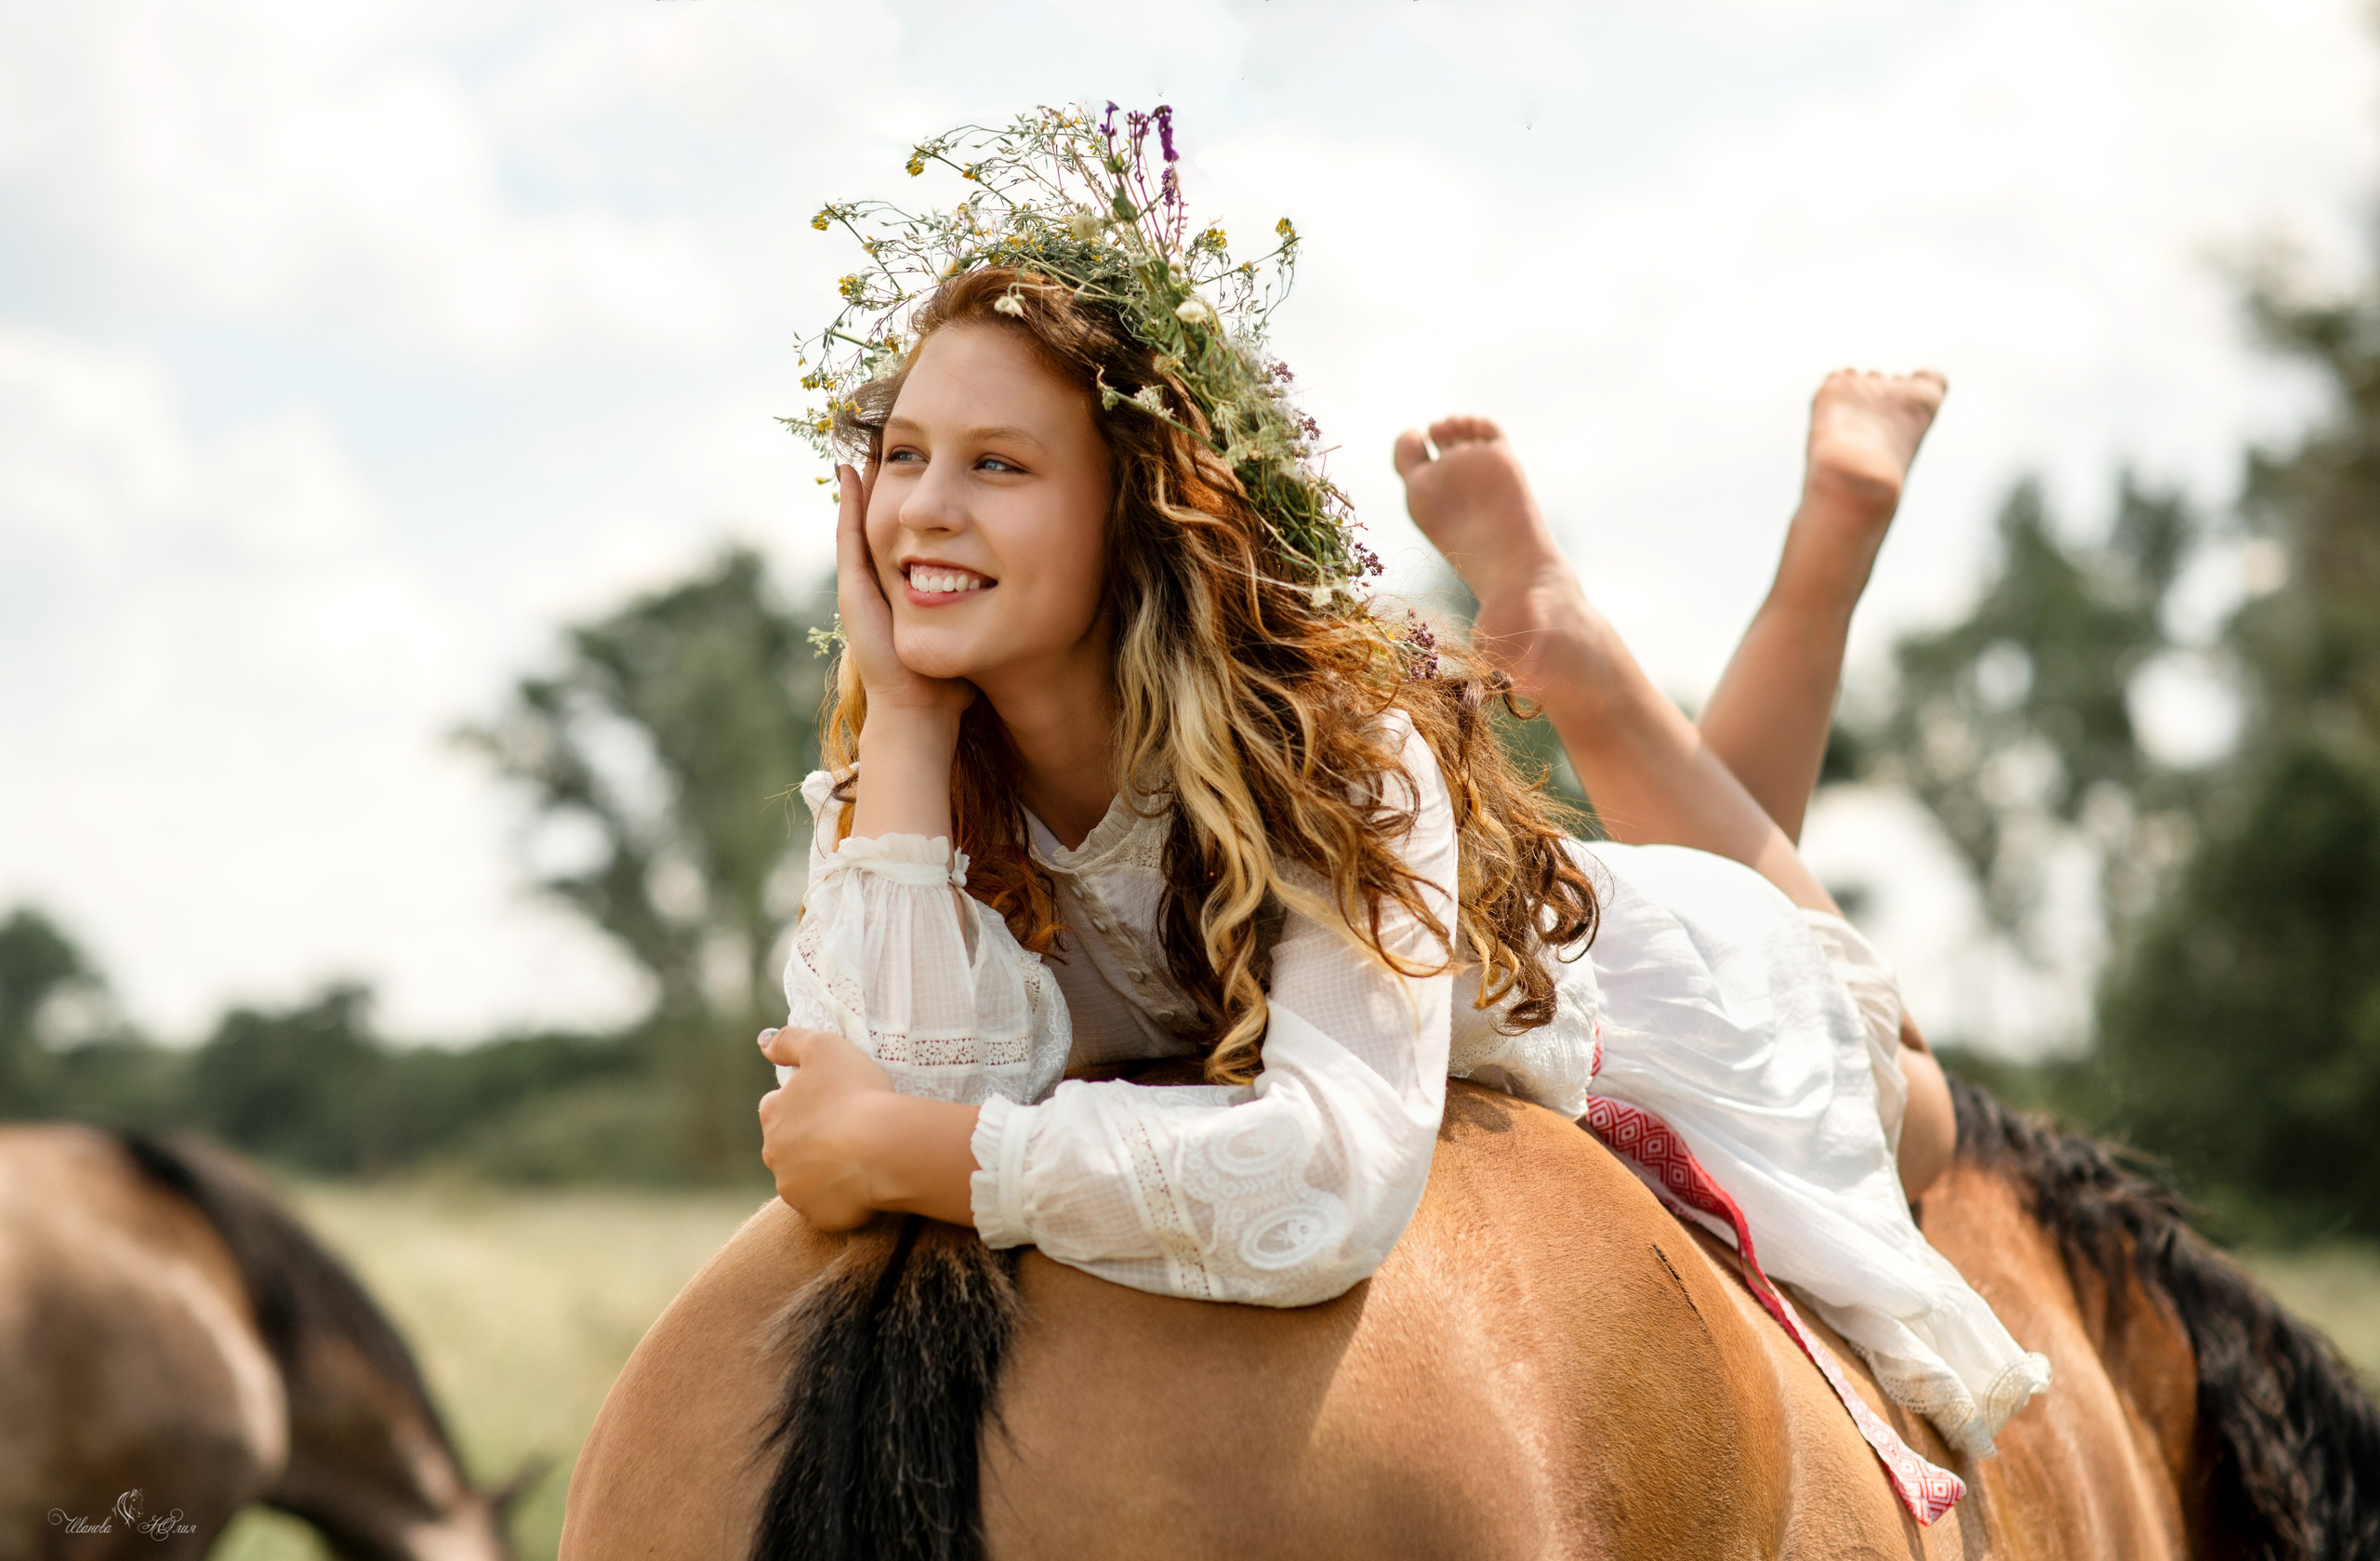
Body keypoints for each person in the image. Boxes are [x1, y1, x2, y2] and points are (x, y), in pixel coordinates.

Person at [758, 107, 2048, 1492]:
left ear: (1137, 510)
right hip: (1553, 928)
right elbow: (909, 1096)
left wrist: (930, 1153)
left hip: (1643, 1004)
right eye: (900, 455)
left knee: (1923, 1112)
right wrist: (899, 711)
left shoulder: (1334, 753)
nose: (924, 510)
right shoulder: (906, 790)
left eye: (997, 464)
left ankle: (1749, 592)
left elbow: (1321, 1175)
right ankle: (1582, 644)